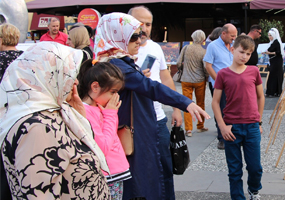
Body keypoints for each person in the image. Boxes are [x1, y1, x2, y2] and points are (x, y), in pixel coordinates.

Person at [93, 12, 210, 200]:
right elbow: (153, 88)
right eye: (133, 36)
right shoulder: (117, 65)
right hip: (135, 132)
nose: (139, 40)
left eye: (139, 34)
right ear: (116, 36)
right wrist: (186, 103)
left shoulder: (116, 60)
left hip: (138, 129)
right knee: (143, 182)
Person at [0, 42, 110, 199]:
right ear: (46, 75)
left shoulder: (54, 114)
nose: (76, 82)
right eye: (68, 74)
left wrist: (80, 116)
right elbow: (38, 193)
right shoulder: (37, 128)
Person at [128, 6, 183, 199]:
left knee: (165, 168)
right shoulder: (117, 50)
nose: (143, 28)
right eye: (139, 23)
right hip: (131, 122)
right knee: (136, 173)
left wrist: (176, 109)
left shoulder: (154, 48)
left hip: (157, 120)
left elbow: (166, 79)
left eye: (148, 24)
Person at [211, 35, 264, 200]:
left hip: (252, 126)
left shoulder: (254, 71)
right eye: (242, 52)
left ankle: (254, 190)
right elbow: (215, 102)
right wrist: (222, 126)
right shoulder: (223, 74)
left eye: (248, 54)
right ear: (232, 50)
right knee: (234, 170)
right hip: (231, 127)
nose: (244, 57)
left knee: (255, 168)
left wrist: (259, 121)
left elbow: (260, 97)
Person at [77, 60, 131, 200]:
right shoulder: (87, 112)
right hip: (107, 175)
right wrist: (111, 113)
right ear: (95, 86)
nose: (115, 97)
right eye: (112, 92)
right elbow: (103, 147)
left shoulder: (97, 107)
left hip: (112, 173)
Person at [204, 23, 237, 150]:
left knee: (232, 109)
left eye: (235, 36)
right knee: (221, 110)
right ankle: (222, 138)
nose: (234, 38)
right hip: (219, 85)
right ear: (223, 34)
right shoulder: (213, 46)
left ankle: (232, 133)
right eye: (232, 36)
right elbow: (208, 66)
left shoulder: (233, 45)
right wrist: (219, 82)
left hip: (233, 84)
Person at [176, 29, 209, 136]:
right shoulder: (203, 51)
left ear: (192, 38)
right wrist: (206, 76)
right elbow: (205, 67)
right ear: (203, 40)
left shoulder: (186, 48)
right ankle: (200, 126)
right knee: (200, 103)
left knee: (186, 104)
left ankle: (188, 129)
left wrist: (182, 68)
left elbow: (178, 63)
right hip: (199, 80)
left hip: (186, 79)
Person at [265, 28, 285, 98]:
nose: (269, 37)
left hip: (277, 62)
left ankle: (273, 91)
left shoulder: (277, 42)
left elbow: (279, 52)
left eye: (270, 35)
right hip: (273, 61)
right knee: (274, 76)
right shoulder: (272, 42)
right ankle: (273, 91)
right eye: (268, 35)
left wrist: (269, 52)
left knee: (274, 76)